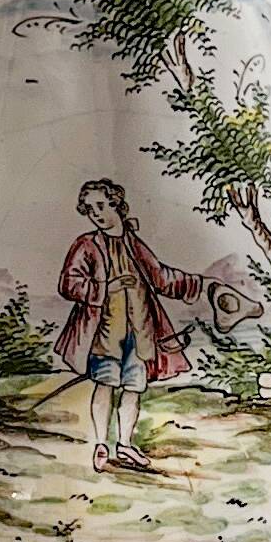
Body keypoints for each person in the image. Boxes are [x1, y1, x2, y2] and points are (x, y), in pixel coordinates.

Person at [55, 177, 214, 473]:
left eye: (101, 206)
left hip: (140, 331)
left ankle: (125, 445)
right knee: (105, 385)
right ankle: (102, 444)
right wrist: (107, 286)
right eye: (90, 210)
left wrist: (199, 285)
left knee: (133, 389)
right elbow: (68, 284)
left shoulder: (132, 243)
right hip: (104, 333)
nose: (97, 214)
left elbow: (161, 277)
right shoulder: (87, 245)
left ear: (117, 204)